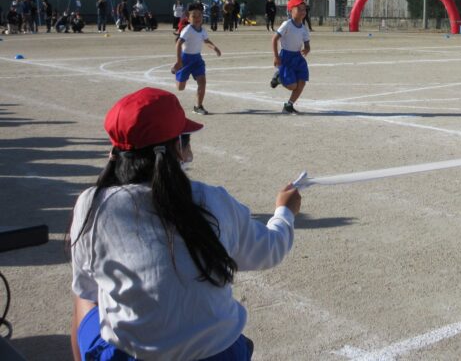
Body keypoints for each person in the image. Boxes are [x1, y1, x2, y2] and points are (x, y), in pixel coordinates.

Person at [69, 87, 300, 360]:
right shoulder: (212, 200)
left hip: (129, 355)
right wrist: (285, 211)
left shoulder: (92, 204)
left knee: (85, 296)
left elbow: (88, 287)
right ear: (178, 147)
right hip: (219, 354)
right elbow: (268, 250)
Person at [173, 4, 222, 115]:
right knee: (180, 88)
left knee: (202, 82)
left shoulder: (203, 30)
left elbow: (206, 41)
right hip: (185, 60)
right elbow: (178, 44)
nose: (197, 18)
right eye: (194, 16)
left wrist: (214, 47)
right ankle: (176, 71)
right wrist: (179, 61)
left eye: (199, 15)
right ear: (188, 18)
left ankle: (198, 106)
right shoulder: (187, 30)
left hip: (197, 60)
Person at [271, 0, 311, 114]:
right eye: (299, 9)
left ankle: (289, 105)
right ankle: (279, 77)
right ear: (290, 10)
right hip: (286, 57)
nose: (303, 12)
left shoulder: (304, 28)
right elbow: (274, 39)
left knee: (302, 82)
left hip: (298, 58)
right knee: (292, 86)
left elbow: (307, 43)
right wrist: (276, 56)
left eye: (304, 9)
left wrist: (307, 48)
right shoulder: (287, 24)